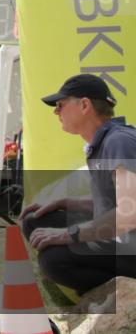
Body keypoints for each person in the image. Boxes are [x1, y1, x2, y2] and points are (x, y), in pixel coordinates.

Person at [20, 74, 136, 296]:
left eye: (61, 105)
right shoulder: (105, 142)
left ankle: (120, 294)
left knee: (53, 260)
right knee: (34, 220)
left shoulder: (118, 142)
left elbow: (129, 215)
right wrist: (68, 203)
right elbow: (114, 203)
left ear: (84, 105)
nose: (56, 112)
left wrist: (67, 234)